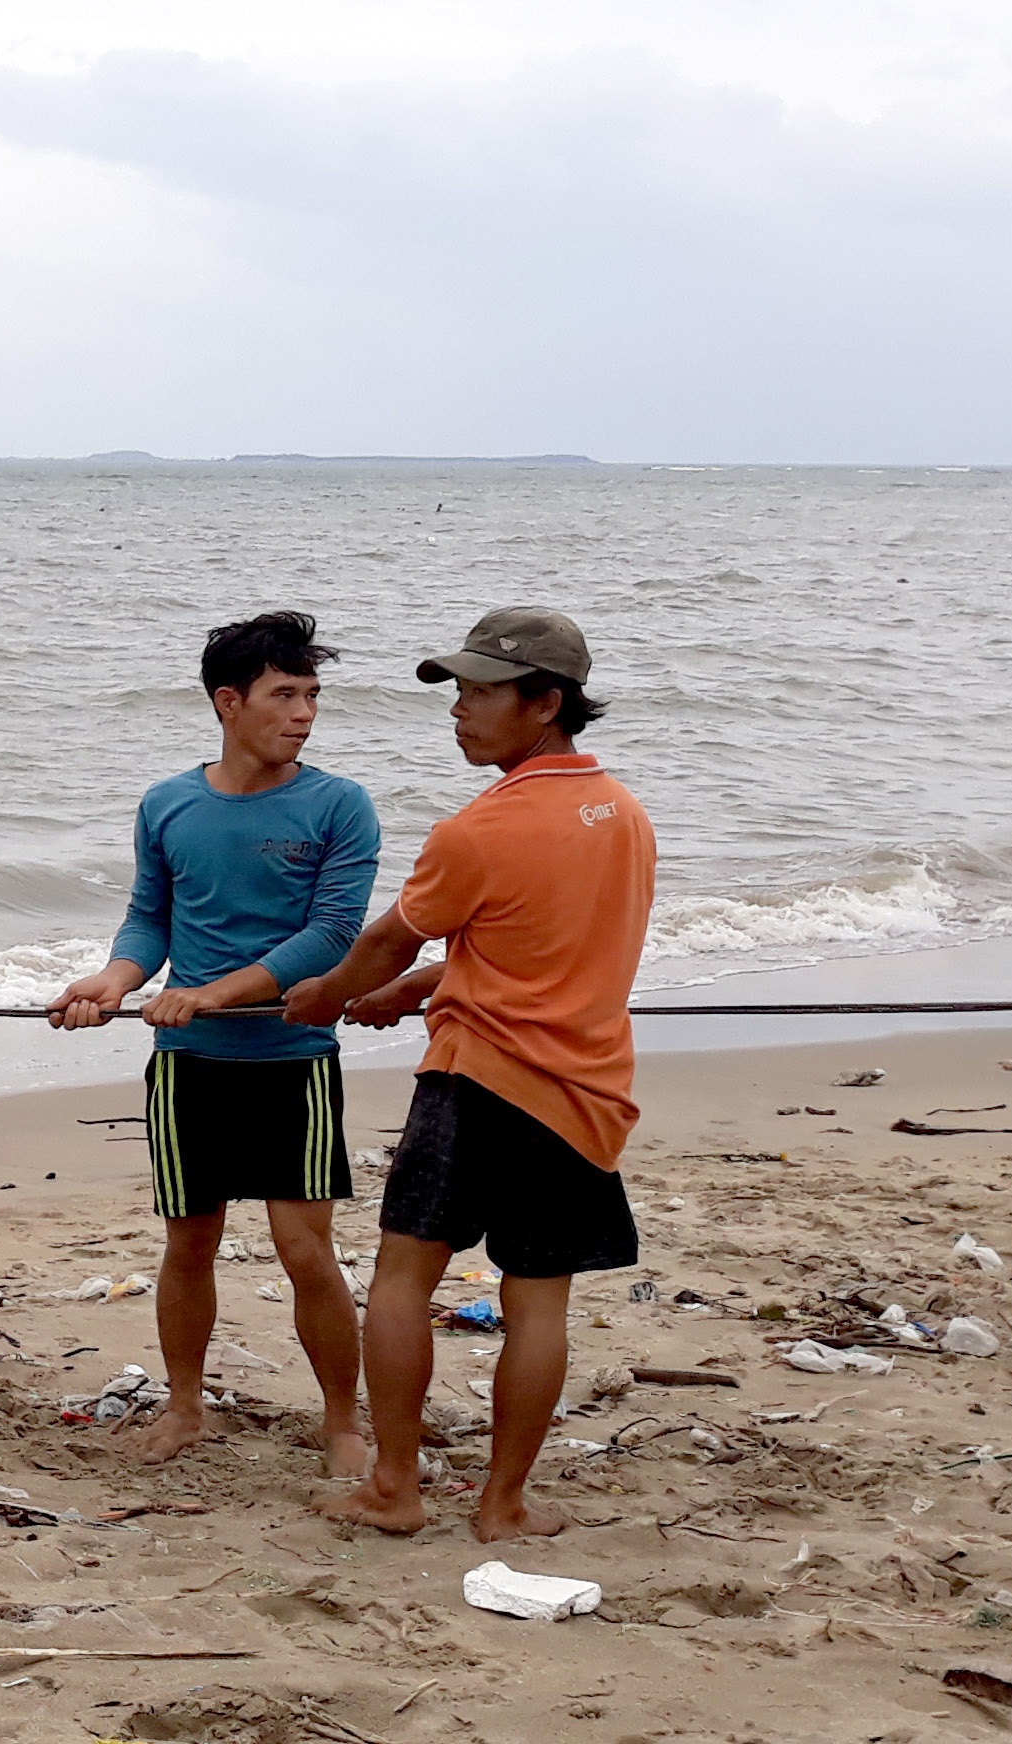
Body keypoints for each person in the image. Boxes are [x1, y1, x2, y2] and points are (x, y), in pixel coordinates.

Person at [283, 608, 653, 1543]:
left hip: (474, 1081)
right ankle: (504, 1505)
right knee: (539, 1300)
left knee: (404, 1278)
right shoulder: (627, 820)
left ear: (547, 702)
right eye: (458, 689)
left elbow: (382, 939)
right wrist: (413, 987)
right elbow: (533, 951)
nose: (460, 709)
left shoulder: (476, 829)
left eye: (484, 691)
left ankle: (395, 1489)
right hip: (583, 1095)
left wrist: (328, 995)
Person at [47, 613, 382, 1477]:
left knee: (306, 1249)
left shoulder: (339, 804)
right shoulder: (168, 803)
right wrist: (116, 982)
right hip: (187, 1065)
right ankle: (185, 1404)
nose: (304, 713)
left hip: (291, 1059)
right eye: (285, 695)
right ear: (229, 703)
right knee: (188, 1242)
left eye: (312, 696)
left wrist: (213, 994)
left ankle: (344, 1422)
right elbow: (150, 917)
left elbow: (333, 934)